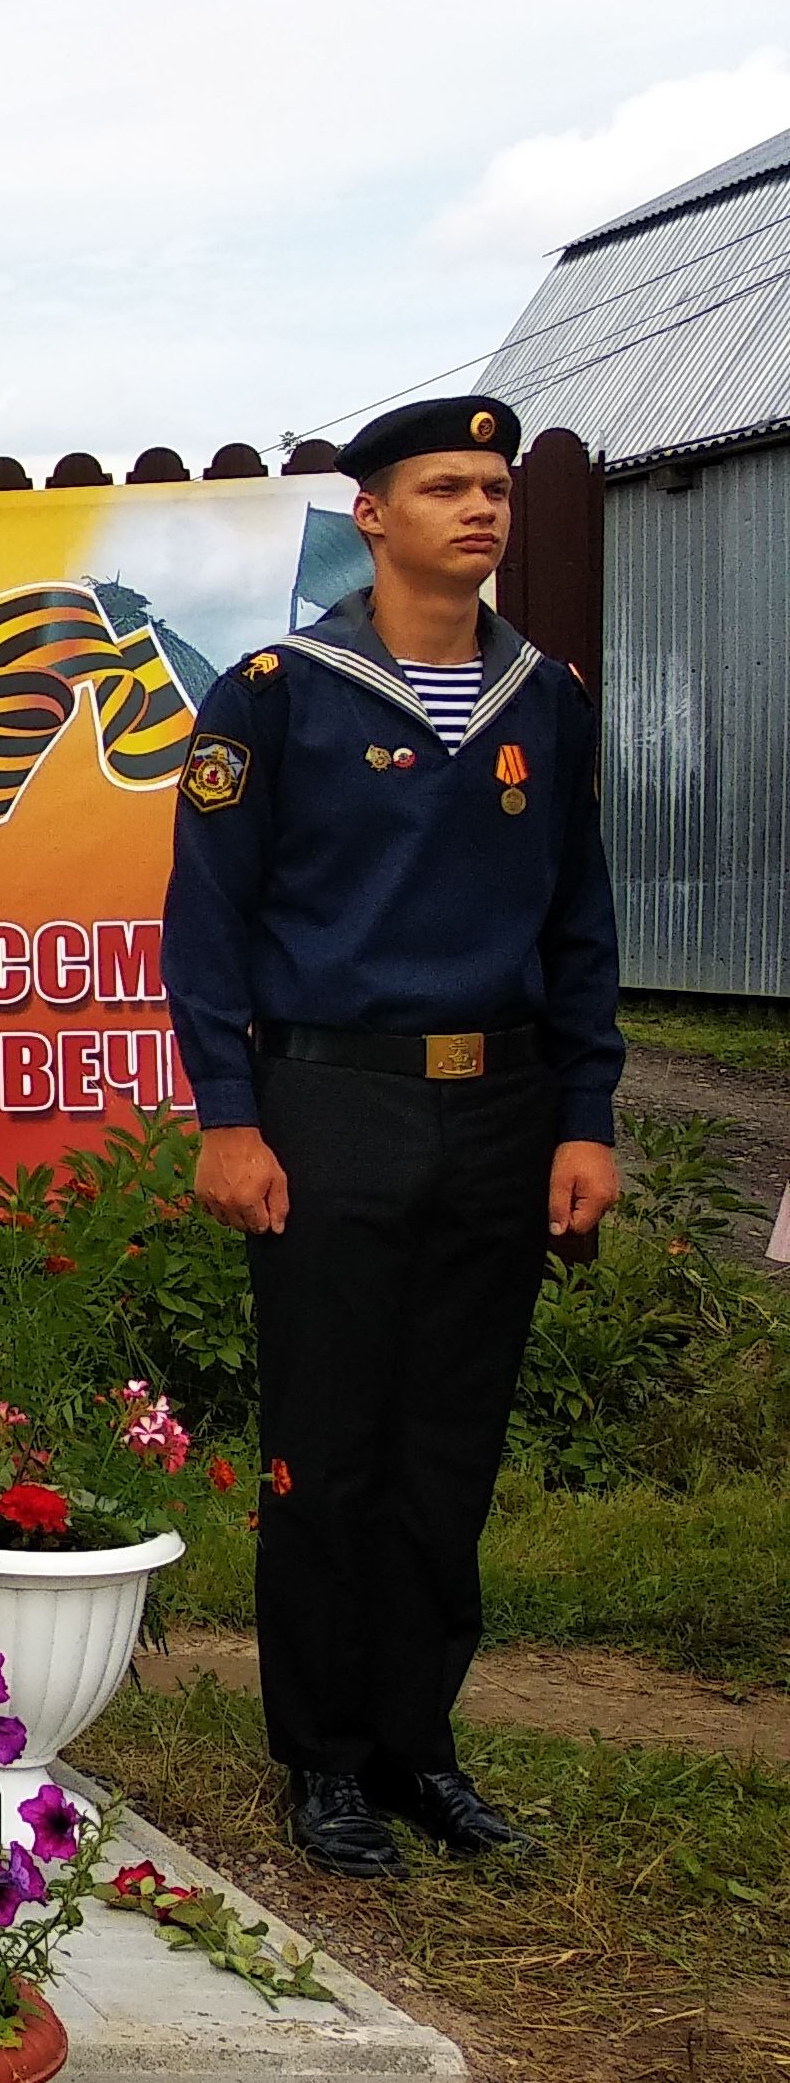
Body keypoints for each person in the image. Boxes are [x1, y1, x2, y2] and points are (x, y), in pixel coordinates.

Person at [161, 397, 623, 1879]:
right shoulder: (280, 692)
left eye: (493, 489)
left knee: (448, 1450)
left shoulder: (544, 700)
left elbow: (579, 927)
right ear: (372, 514)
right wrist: (229, 1119)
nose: (481, 509)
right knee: (328, 1446)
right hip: (330, 1102)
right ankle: (327, 1762)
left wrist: (586, 1118)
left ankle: (423, 1747)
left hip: (498, 1109)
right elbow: (209, 927)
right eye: (445, 488)